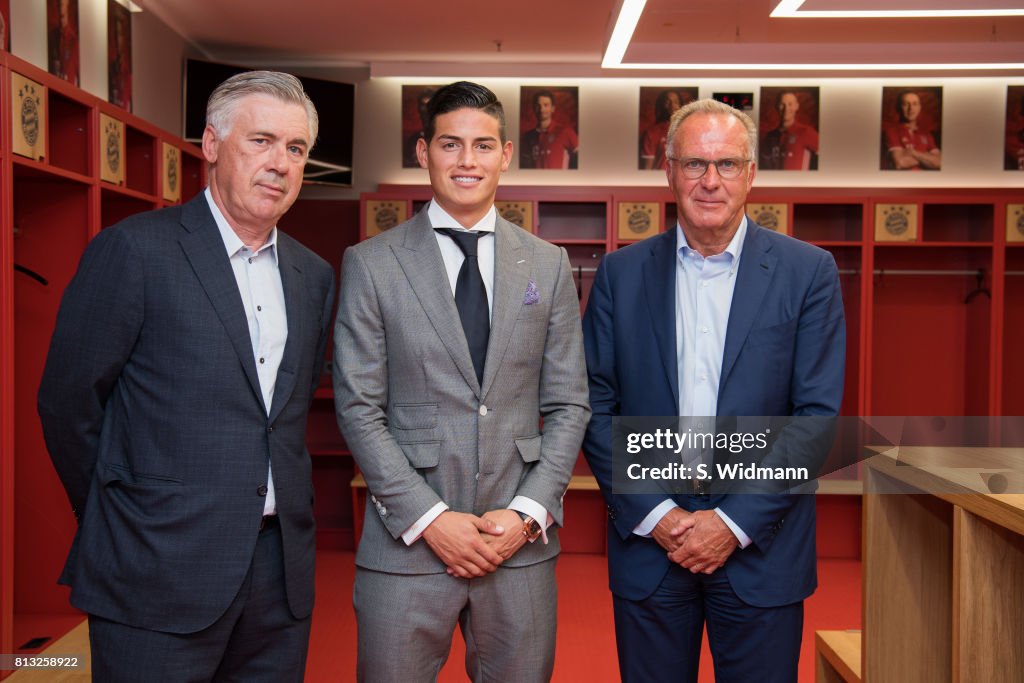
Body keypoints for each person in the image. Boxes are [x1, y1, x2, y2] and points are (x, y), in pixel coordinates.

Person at [37, 71, 335, 682]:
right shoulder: (135, 251)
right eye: (261, 141)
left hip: (278, 577)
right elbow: (68, 405)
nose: (280, 163)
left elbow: (284, 412)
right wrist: (125, 517)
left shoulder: (313, 276)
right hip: (153, 569)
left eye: (296, 148)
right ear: (212, 144)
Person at [582, 98, 846, 682]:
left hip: (763, 548)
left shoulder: (808, 272)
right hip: (651, 545)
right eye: (694, 164)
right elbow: (596, 408)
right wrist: (656, 514)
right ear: (668, 170)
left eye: (727, 164)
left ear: (751, 174)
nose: (710, 180)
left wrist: (732, 522)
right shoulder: (620, 275)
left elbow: (815, 417)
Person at [334, 81, 590, 682]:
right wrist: (430, 519)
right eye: (451, 144)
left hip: (518, 544)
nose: (466, 161)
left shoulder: (547, 264)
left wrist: (528, 512)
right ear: (423, 152)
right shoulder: (372, 263)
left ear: (505, 154)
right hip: (407, 541)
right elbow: (359, 406)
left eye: (482, 145)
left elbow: (570, 403)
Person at [759, 90, 819, 170]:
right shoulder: (769, 137)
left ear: (796, 106)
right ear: (777, 106)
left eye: (790, 104)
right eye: (782, 104)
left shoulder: (806, 132)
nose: (786, 108)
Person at [520, 89, 579, 169]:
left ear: (552, 108)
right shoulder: (528, 137)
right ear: (534, 108)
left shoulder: (566, 132)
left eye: (546, 105)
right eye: (538, 105)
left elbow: (581, 160)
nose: (542, 109)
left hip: (559, 180)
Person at [883, 90, 941, 170]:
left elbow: (939, 162)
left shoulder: (927, 134)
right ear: (899, 108)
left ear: (919, 107)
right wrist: (928, 156)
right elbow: (900, 163)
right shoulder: (891, 131)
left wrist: (912, 152)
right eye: (906, 104)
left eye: (915, 104)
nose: (911, 108)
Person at [641, 89, 685, 171]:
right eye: (667, 102)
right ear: (661, 105)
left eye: (676, 102)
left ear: (680, 105)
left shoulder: (688, 131)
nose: (672, 105)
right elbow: (647, 169)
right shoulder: (652, 132)